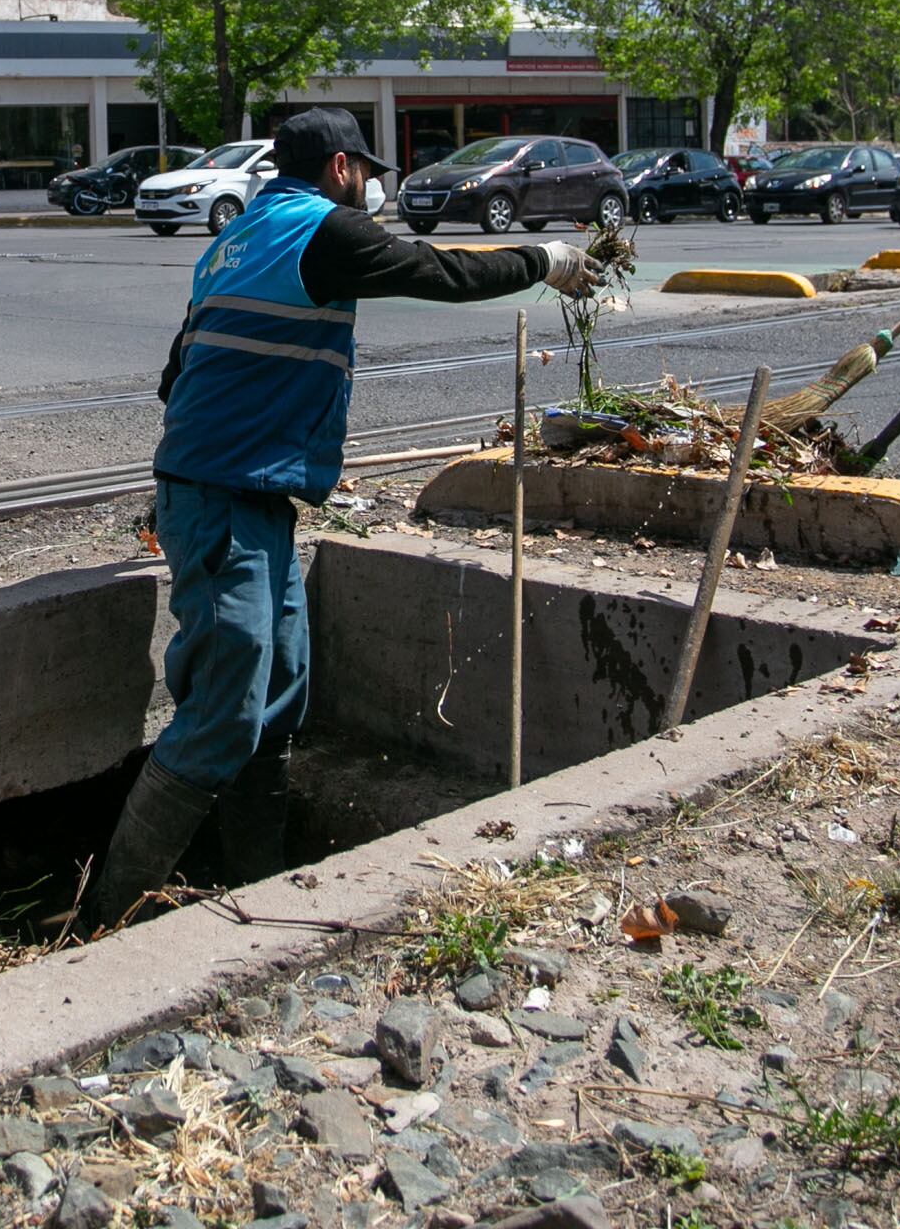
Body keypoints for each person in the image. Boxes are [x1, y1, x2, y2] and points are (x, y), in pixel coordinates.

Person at [82, 108, 606, 928]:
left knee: (278, 694)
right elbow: (439, 273)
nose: (370, 187)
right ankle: (104, 920)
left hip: (241, 497)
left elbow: (177, 372)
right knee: (224, 711)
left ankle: (257, 885)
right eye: (365, 172)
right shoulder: (324, 232)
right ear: (338, 168)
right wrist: (549, 258)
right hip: (224, 502)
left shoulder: (234, 241)